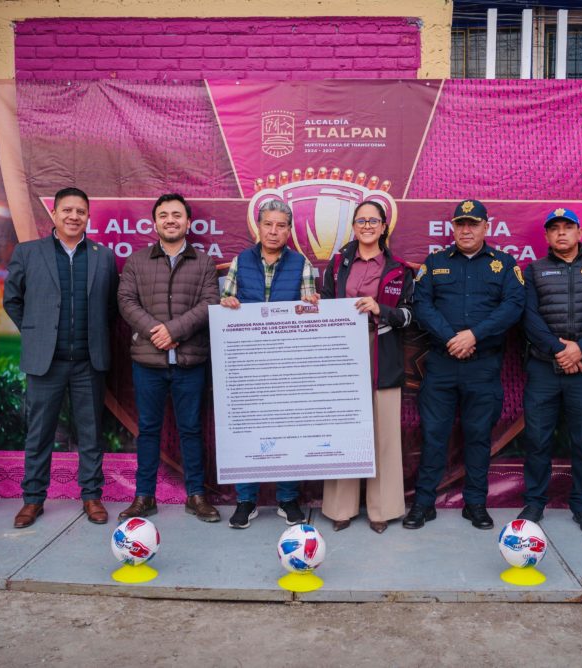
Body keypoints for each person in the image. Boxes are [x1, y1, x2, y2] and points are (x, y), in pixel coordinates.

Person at [404, 199, 525, 530]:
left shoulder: (504, 264)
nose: (467, 230)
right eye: (461, 224)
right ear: (453, 228)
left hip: (483, 366)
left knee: (478, 436)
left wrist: (473, 335)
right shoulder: (436, 262)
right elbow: (422, 304)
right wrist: (450, 339)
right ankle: (423, 504)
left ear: (487, 227)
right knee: (433, 435)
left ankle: (475, 504)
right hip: (442, 364)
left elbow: (514, 306)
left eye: (473, 224)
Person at [4, 187, 119, 529]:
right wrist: (37, 333)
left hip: (88, 361)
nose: (73, 216)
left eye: (80, 211)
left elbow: (110, 306)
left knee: (91, 432)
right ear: (53, 214)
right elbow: (13, 300)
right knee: (39, 433)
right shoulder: (28, 253)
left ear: (88, 216)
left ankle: (92, 496)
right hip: (46, 362)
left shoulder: (103, 256)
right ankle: (33, 500)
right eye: (66, 210)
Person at [116, 194, 221, 523]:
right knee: (148, 430)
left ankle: (196, 496)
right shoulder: (137, 261)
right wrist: (155, 331)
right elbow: (126, 300)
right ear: (155, 222)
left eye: (177, 215)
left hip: (190, 361)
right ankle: (144, 497)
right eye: (164, 215)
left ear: (188, 222)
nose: (171, 220)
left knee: (191, 429)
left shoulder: (204, 263)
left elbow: (209, 303)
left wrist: (174, 331)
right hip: (148, 363)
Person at [220, 198, 319, 529]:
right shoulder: (240, 262)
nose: (274, 231)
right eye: (268, 224)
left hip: (287, 363)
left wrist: (310, 305)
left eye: (281, 225)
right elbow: (225, 304)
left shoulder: (301, 264)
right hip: (247, 363)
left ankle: (287, 498)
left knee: (288, 429)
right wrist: (227, 303)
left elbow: (309, 314)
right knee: (248, 430)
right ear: (258, 227)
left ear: (289, 231)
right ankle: (246, 500)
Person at [320, 201, 414, 534]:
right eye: (361, 220)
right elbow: (324, 304)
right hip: (341, 360)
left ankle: (382, 509)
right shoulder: (335, 265)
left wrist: (381, 308)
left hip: (382, 357)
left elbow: (408, 317)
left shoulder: (399, 268)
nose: (367, 225)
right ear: (354, 227)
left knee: (384, 437)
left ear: (384, 226)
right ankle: (339, 507)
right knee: (343, 434)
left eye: (373, 220)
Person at [518, 208, 582, 534]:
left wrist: (580, 349)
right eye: (554, 229)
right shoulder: (534, 271)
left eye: (567, 227)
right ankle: (534, 501)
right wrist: (561, 350)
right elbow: (529, 317)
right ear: (546, 236)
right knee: (537, 439)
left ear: (579, 232)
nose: (561, 233)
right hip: (545, 367)